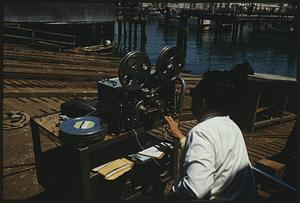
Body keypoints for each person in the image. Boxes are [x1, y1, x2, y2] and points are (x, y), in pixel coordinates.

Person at [164, 70, 258, 200]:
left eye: (193, 96)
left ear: (202, 103)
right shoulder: (231, 125)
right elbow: (213, 152)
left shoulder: (201, 132)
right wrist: (179, 135)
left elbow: (195, 190)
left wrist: (174, 188)